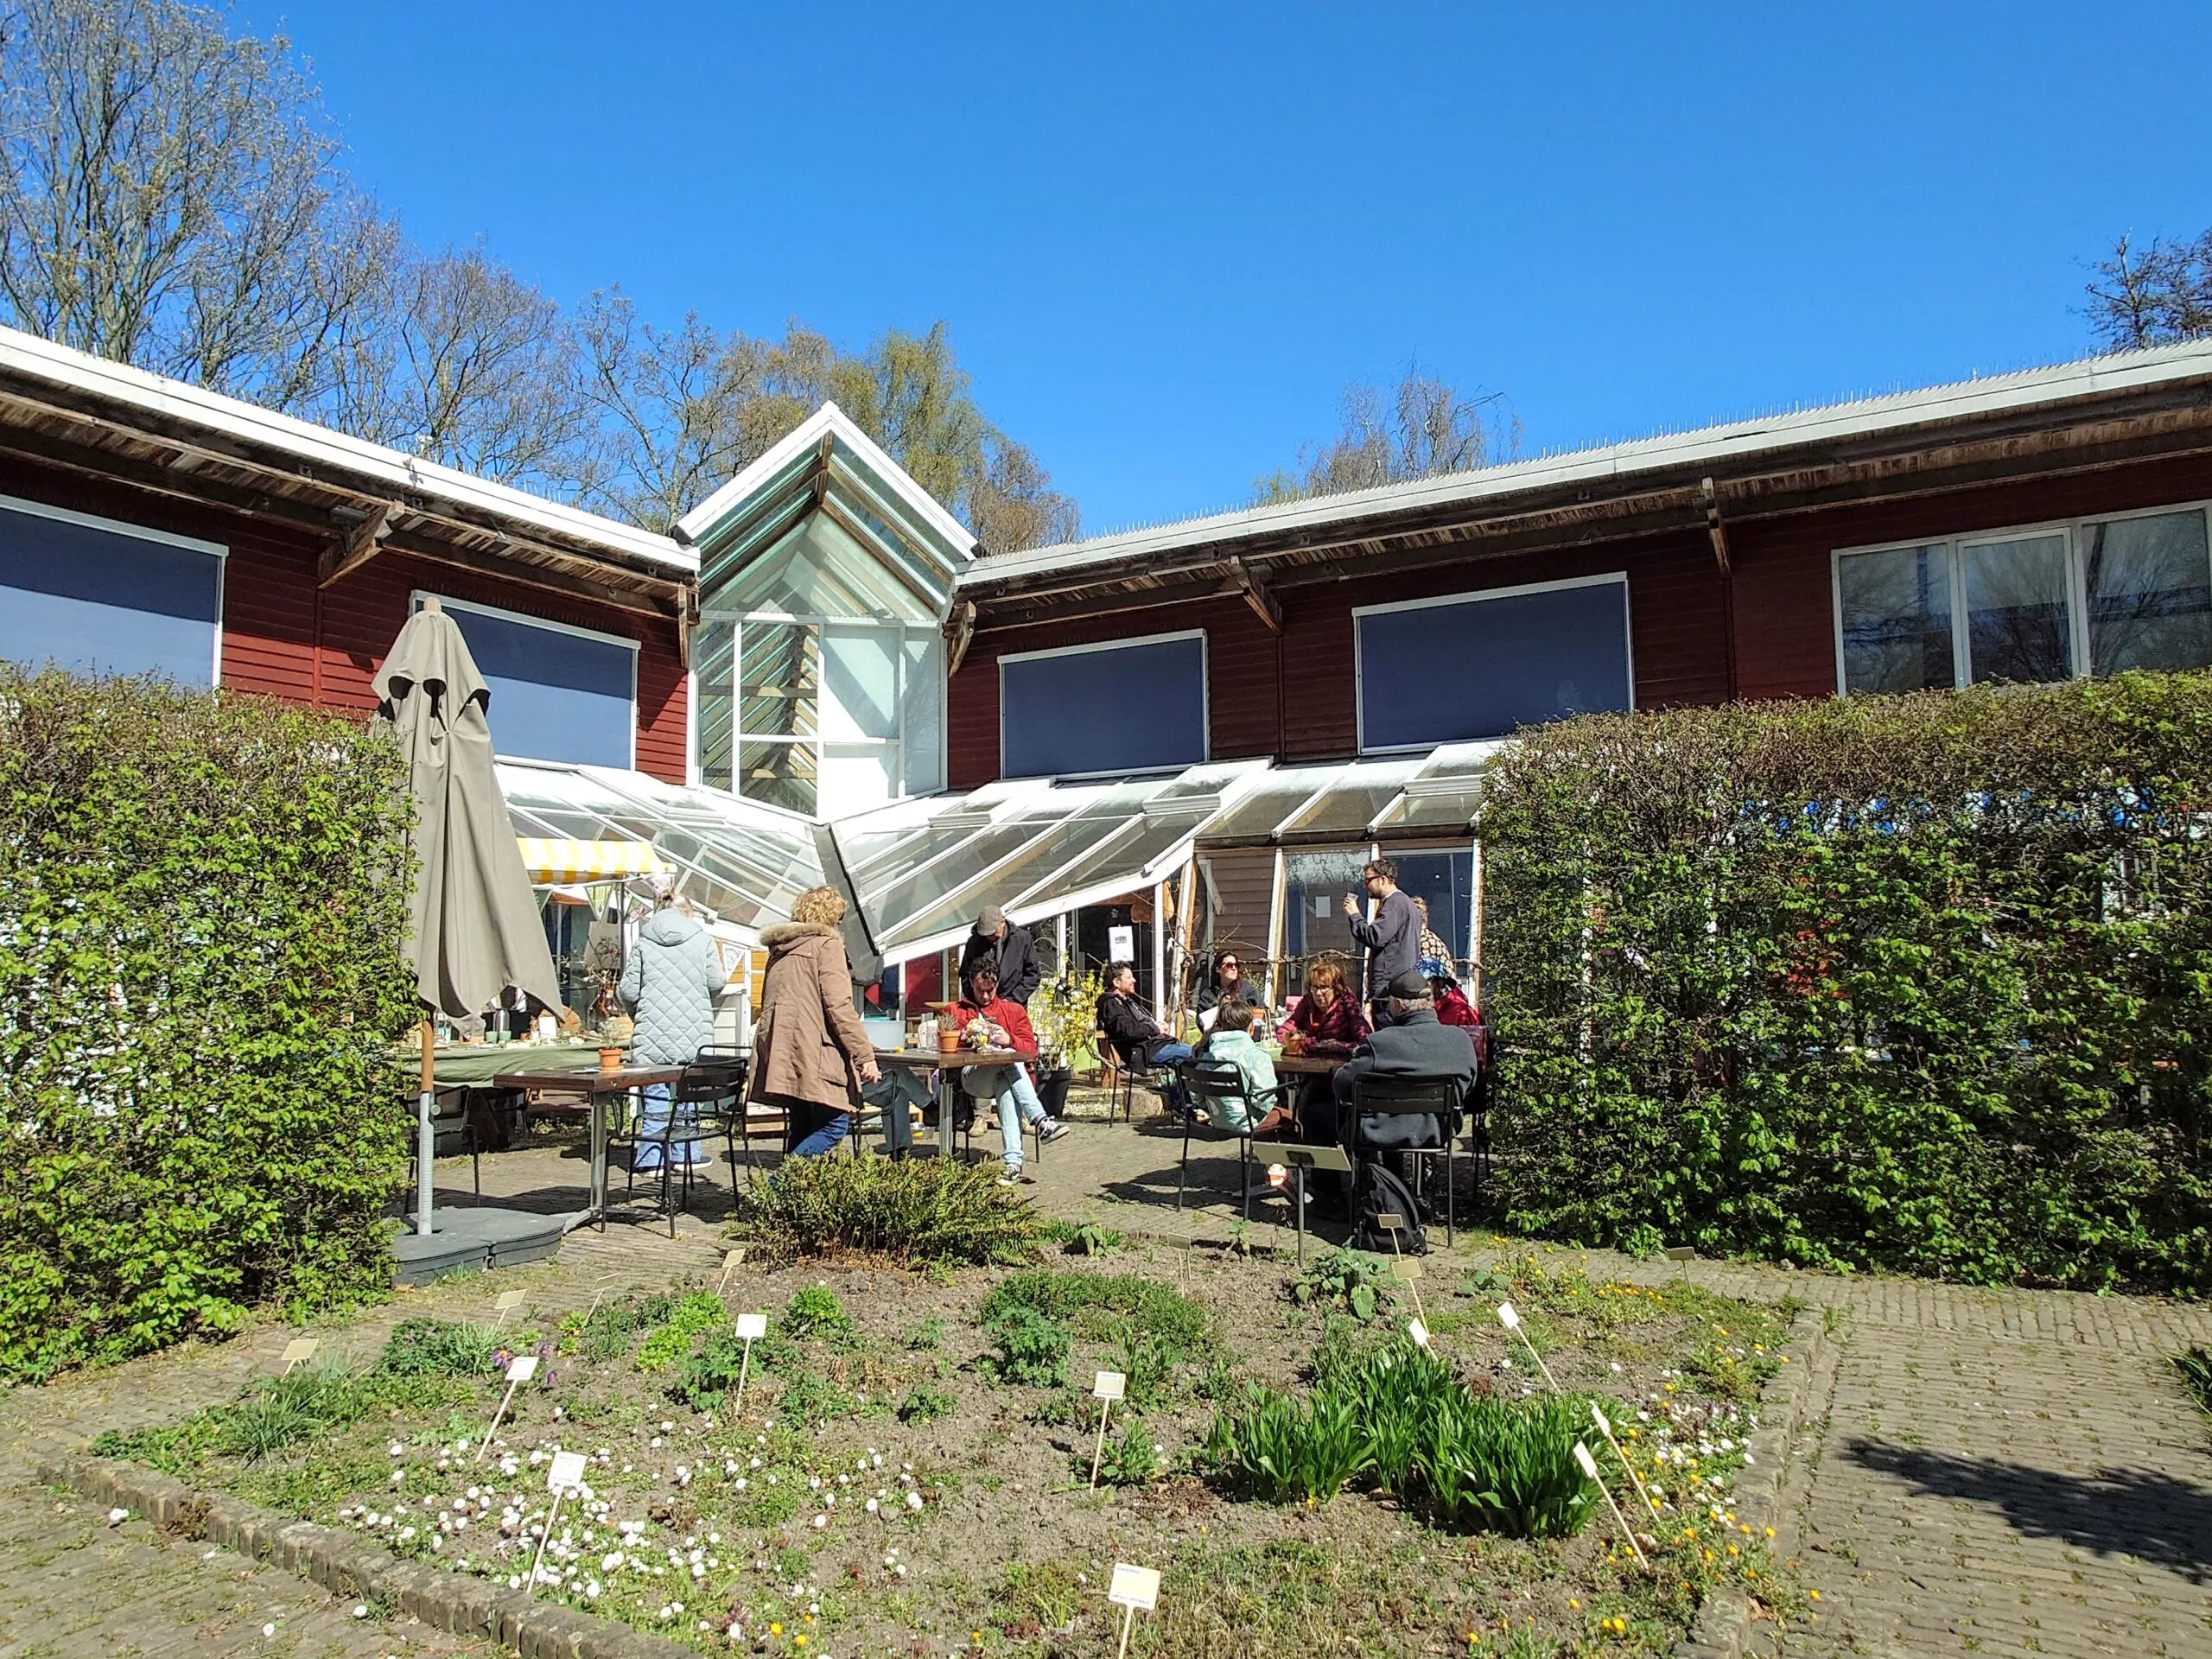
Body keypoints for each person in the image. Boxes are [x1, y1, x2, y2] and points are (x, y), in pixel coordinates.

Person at [748, 885, 880, 1158]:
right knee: (834, 1125)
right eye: (839, 916)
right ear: (830, 915)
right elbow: (839, 1006)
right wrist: (864, 1055)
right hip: (814, 1052)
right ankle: (778, 1182)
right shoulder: (827, 945)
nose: (840, 923)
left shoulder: (780, 950)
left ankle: (791, 1186)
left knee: (803, 1124)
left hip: (783, 1052)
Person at [1326, 968, 1478, 1164]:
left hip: (1380, 1132)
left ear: (1397, 1005)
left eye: (1388, 1002)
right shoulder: (1460, 1040)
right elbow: (1469, 1086)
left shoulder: (1380, 1043)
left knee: (1319, 1113)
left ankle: (1366, 1177)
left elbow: (1341, 1084)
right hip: (1440, 1130)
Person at [618, 893, 722, 1170]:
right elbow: (717, 982)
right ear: (688, 913)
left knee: (654, 1098)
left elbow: (627, 991)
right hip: (693, 1033)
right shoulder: (702, 940)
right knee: (687, 1097)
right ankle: (685, 1156)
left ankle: (650, 1160)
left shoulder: (644, 941)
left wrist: (638, 1013)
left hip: (651, 1033)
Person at [953, 960, 1068, 1183]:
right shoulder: (957, 1010)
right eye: (980, 990)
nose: (985, 996)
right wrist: (966, 1037)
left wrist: (1009, 1039)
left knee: (1006, 1086)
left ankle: (1013, 1165)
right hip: (973, 1077)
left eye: (990, 990)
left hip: (1005, 1075)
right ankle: (1041, 1120)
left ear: (997, 984)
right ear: (971, 983)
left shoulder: (1013, 1010)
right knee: (1008, 1058)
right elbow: (944, 1043)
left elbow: (1031, 1051)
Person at [1275, 957, 1370, 1128]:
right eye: (1315, 987)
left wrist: (1335, 1046)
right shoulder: (1306, 1003)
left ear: (1336, 988)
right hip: (1312, 1073)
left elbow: (1364, 1040)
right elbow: (1283, 1034)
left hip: (1341, 1074)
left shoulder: (1347, 1003)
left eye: (1324, 987)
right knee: (1306, 1105)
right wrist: (1309, 1043)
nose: (1319, 993)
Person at [1094, 959, 1195, 1112]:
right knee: (1197, 1055)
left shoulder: (1125, 1001)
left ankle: (1184, 1103)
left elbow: (1136, 1026)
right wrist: (1155, 1028)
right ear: (1116, 982)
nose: (1134, 980)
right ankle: (1185, 1103)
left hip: (1155, 1046)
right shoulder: (1111, 1003)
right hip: (1144, 1051)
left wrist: (1156, 1026)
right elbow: (1127, 1030)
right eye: (1129, 977)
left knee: (1195, 1054)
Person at [1192, 983, 1292, 1136]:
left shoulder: (1208, 1058)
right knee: (1291, 1117)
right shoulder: (1257, 1057)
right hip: (1248, 1122)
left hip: (1217, 1121)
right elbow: (1264, 1101)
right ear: (1251, 1027)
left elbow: (1197, 1096)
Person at [1343, 858, 1419, 1031]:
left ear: (1383, 879)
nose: (1365, 886)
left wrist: (1355, 915)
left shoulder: (1394, 903)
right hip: (1399, 988)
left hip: (1388, 991)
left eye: (1368, 880)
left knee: (1388, 1038)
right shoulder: (1406, 904)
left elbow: (1375, 936)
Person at [957, 905, 1040, 1006]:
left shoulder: (1022, 940)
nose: (990, 937)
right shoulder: (974, 942)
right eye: (987, 935)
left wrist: (1012, 999)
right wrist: (977, 997)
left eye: (993, 932)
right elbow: (965, 974)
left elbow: (1033, 975)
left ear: (1003, 922)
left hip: (1013, 1005)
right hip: (981, 1005)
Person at [1192, 950, 1246, 1029]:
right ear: (1218, 969)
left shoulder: (1247, 990)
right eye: (1229, 965)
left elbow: (1261, 1012)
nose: (1234, 968)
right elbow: (1202, 1022)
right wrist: (1221, 1009)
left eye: (1236, 965)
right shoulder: (1208, 995)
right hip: (1217, 1034)